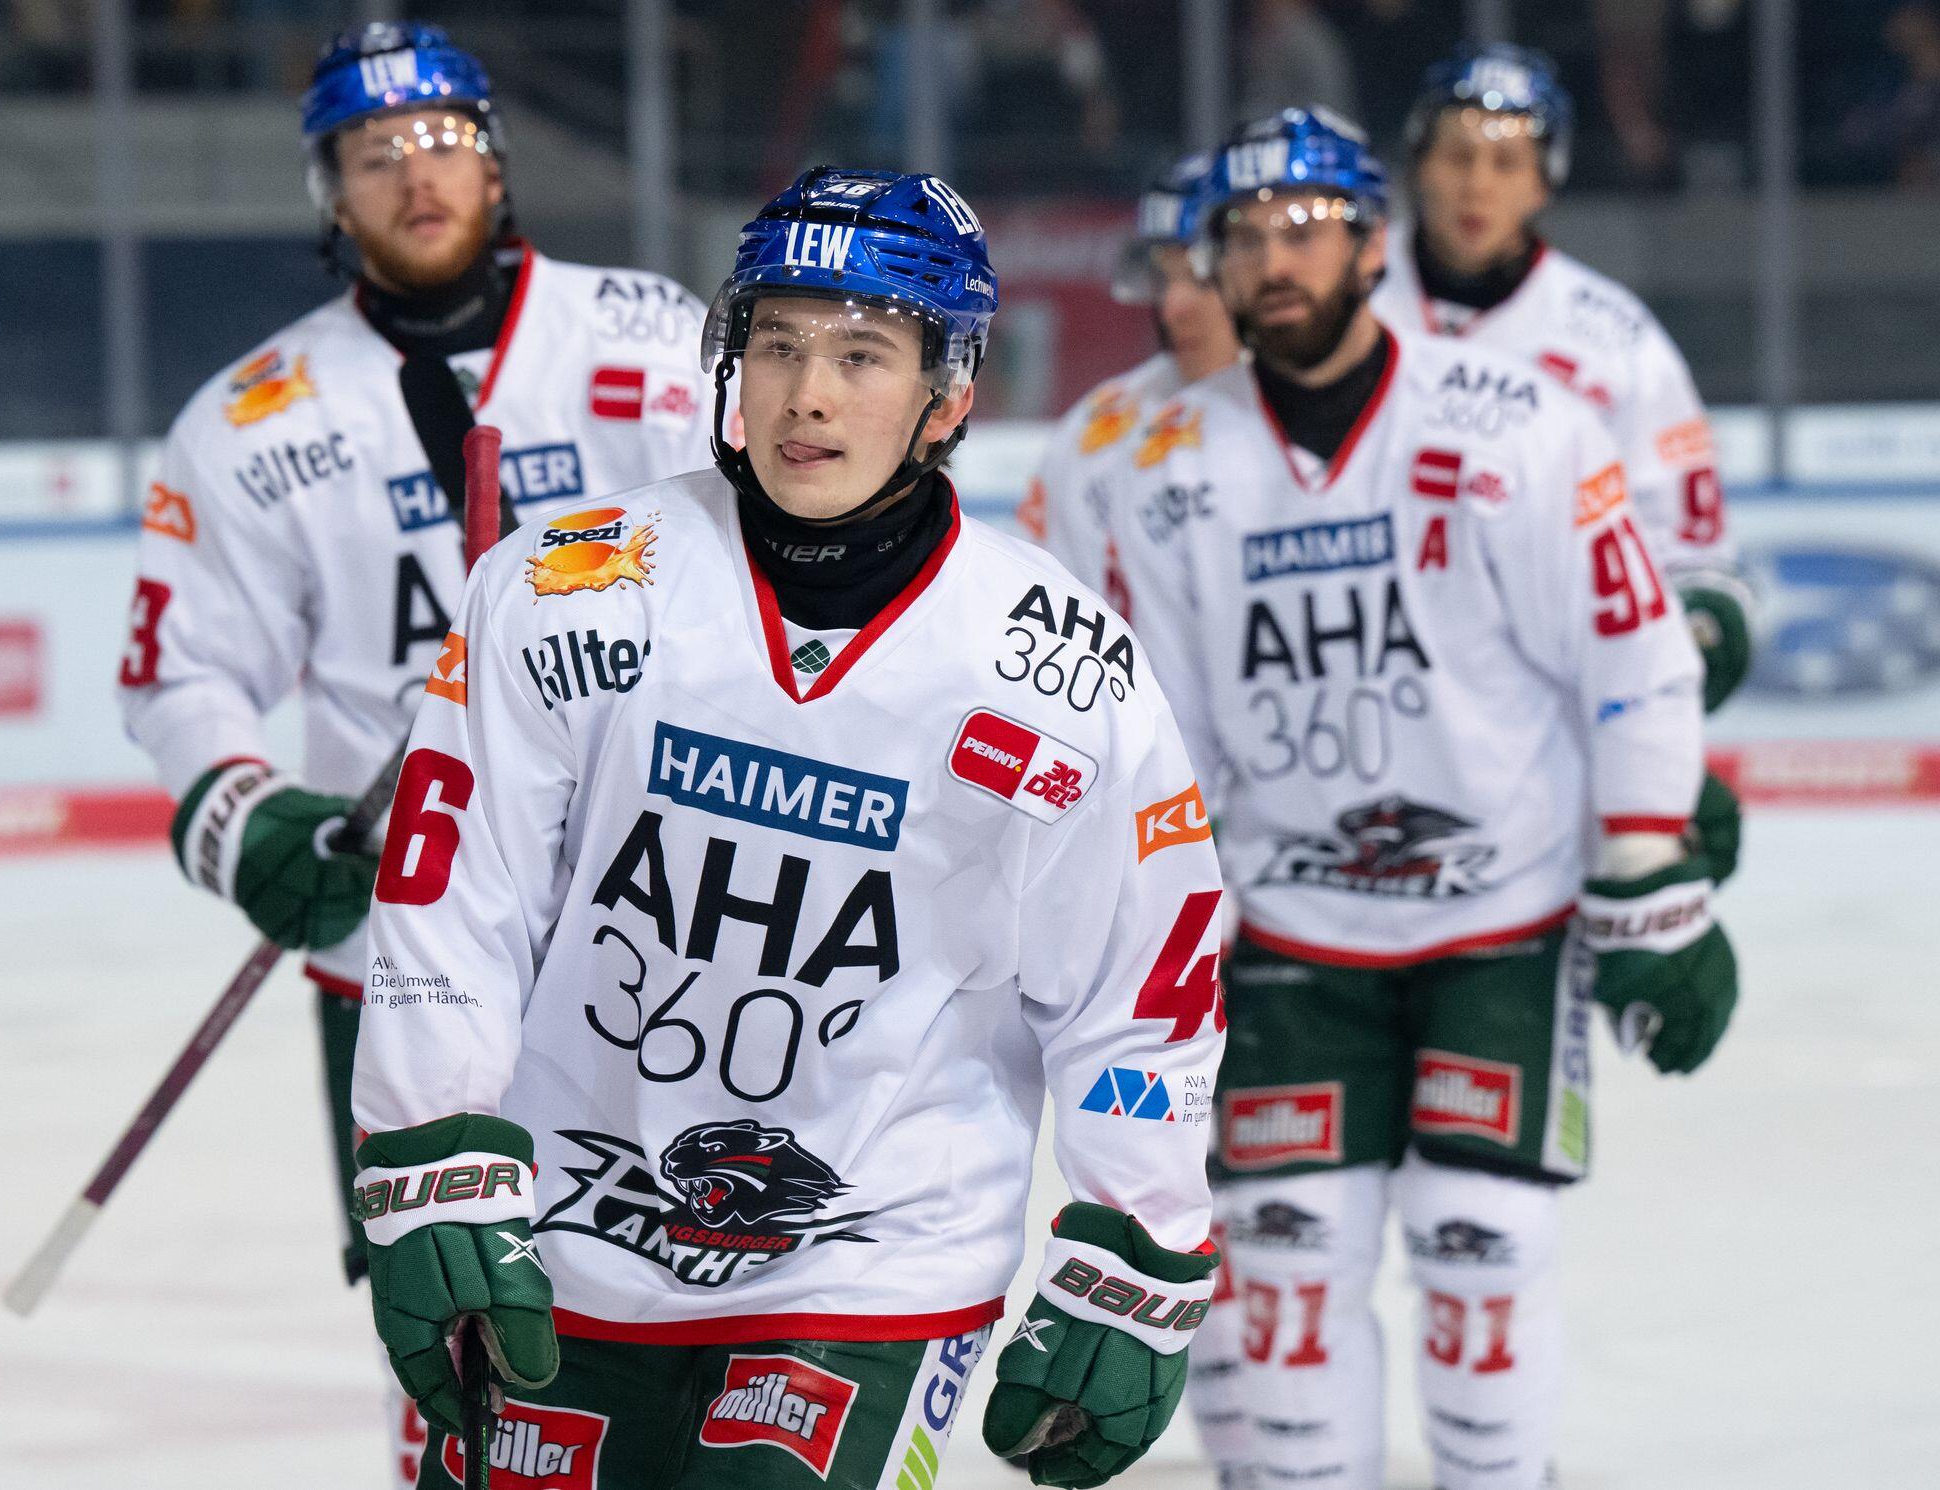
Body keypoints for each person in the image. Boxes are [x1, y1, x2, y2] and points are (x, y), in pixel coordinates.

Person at [349, 165, 1226, 1490]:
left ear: (949, 395)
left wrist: (1135, 1245)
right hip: (565, 1229)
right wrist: (435, 1144)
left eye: (861, 355)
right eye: (776, 345)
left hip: (878, 1252)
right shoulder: (568, 587)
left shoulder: (1056, 671)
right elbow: (455, 897)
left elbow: (1137, 987)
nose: (807, 393)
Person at [1112, 108, 1740, 1490]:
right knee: (1281, 1267)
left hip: (1500, 923)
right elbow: (1165, 746)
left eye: (1305, 228)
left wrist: (1652, 869)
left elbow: (1631, 655)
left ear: (1371, 245)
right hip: (1290, 937)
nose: (1273, 259)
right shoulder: (1161, 471)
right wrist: (1155, 942)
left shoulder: (1517, 424)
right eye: (1242, 236)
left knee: (1481, 1245)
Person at [114, 21, 707, 1480]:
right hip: (406, 938)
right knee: (453, 1320)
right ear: (330, 194)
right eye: (372, 153)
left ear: (494, 160)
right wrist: (244, 813)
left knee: (699, 1283)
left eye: (440, 138)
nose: (413, 172)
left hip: (668, 915)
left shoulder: (650, 337)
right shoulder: (252, 420)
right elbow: (180, 667)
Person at [1373, 42, 1752, 714]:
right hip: (1368, 673)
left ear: (1544, 182)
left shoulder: (1615, 339)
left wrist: (1691, 630)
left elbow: (1690, 548)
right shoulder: (1343, 305)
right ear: (1418, 165)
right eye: (1457, 157)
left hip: (1550, 696)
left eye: (1507, 163)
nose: (1477, 185)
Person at [1023, 150, 1243, 611]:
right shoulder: (1097, 431)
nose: (1172, 308)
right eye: (1163, 279)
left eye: (1203, 279)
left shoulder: (1339, 413)